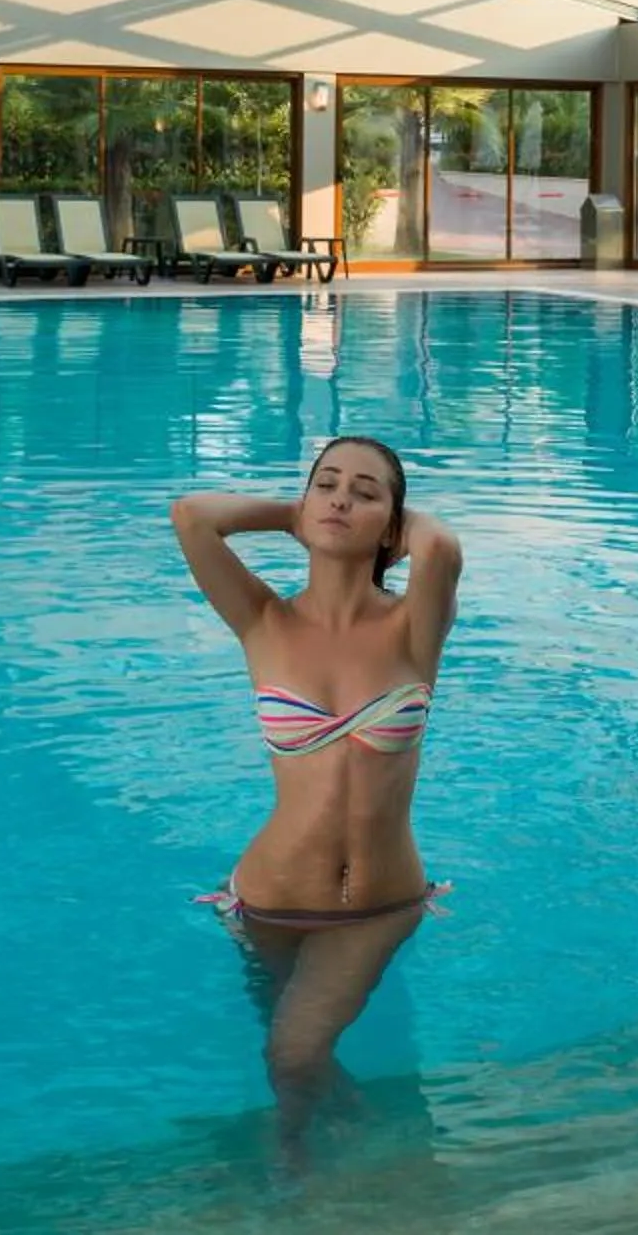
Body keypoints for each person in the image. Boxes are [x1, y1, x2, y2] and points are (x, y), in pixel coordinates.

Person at [171, 437, 463, 1145]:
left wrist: (384, 525)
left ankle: (300, 1176)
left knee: (293, 1054)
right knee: (297, 1063)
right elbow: (192, 516)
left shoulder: (413, 630)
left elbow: (442, 549)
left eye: (365, 493)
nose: (340, 500)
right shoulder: (264, 620)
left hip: (376, 905)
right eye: (326, 485)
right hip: (266, 901)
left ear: (393, 526)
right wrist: (294, 514)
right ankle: (353, 1156)